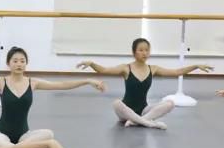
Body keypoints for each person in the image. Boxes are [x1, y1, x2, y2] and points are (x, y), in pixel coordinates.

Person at [0, 45, 105, 148]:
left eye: (22, 61)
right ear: (8, 64)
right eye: (15, 61)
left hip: (24, 136)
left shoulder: (33, 83)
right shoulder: (1, 82)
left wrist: (87, 80)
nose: (19, 64)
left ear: (26, 64)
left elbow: (61, 85)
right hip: (2, 135)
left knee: (49, 133)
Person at [77, 37, 212, 129]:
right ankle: (148, 123)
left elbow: (176, 72)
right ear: (134, 52)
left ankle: (137, 121)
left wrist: (195, 66)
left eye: (147, 50)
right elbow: (104, 70)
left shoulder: (153, 69)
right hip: (125, 112)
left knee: (170, 103)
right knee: (116, 103)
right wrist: (91, 63)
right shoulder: (126, 68)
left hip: (143, 111)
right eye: (141, 50)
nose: (144, 53)